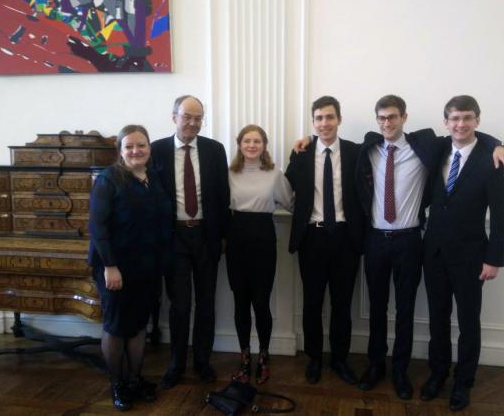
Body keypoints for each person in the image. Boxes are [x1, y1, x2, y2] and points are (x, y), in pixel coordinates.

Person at [294, 95, 504, 397]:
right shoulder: (366, 148)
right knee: (377, 309)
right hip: (374, 240)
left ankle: (400, 371)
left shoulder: (426, 146)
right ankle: (376, 365)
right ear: (377, 121)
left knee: (406, 310)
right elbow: (326, 141)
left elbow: (465, 133)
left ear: (404, 118)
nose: (387, 123)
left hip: (411, 240)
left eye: (393, 117)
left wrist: (499, 144)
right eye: (382, 118)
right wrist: (307, 138)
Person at [421, 95, 504, 412]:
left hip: (472, 256)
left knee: (468, 323)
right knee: (437, 320)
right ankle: (437, 374)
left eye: (467, 118)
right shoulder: (437, 149)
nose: (461, 124)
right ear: (446, 122)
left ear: (477, 120)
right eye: (455, 118)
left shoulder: (492, 160)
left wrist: (494, 258)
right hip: (433, 252)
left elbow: (501, 216)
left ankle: (464, 382)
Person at [89, 124, 171, 411]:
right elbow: (98, 227)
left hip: (146, 266)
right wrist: (110, 266)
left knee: (138, 325)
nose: (136, 151)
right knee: (115, 326)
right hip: (115, 267)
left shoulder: (154, 178)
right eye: (130, 146)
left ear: (149, 148)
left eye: (142, 145)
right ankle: (118, 384)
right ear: (120, 151)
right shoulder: (108, 179)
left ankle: (135, 379)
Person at [285, 96, 364, 386]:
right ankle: (315, 359)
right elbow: (287, 185)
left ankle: (340, 359)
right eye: (318, 118)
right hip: (312, 237)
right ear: (313, 122)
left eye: (329, 117)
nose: (324, 123)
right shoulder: (301, 154)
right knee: (312, 302)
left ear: (339, 119)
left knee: (343, 304)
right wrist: (301, 143)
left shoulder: (356, 152)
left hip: (346, 237)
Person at [151, 95, 229, 388]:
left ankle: (202, 362)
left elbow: (222, 196)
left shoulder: (214, 150)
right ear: (174, 117)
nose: (193, 123)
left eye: (198, 118)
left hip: (206, 238)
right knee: (180, 305)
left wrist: (223, 236)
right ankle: (176, 363)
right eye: (187, 117)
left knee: (207, 303)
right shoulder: (156, 150)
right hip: (173, 238)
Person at [226, 124, 294, 384]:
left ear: (264, 145)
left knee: (261, 302)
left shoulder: (274, 174)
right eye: (247, 141)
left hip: (264, 239)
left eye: (257, 141)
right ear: (240, 145)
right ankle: (244, 357)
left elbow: (291, 202)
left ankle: (264, 356)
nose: (252, 145)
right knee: (240, 302)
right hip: (236, 240)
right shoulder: (229, 173)